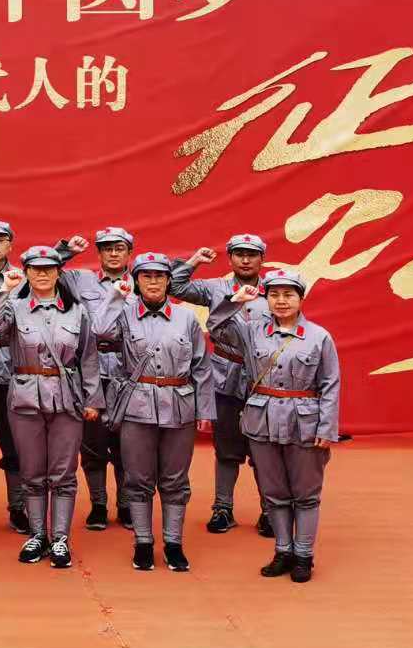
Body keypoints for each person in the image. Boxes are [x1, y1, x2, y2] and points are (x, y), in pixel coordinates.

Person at [208, 270, 341, 583]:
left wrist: (326, 428)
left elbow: (330, 384)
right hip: (262, 420)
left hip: (304, 422)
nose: (281, 301)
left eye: (288, 295)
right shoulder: (252, 331)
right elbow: (216, 326)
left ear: (301, 299)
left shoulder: (319, 336)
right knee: (274, 492)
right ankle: (283, 551)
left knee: (305, 494)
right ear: (265, 299)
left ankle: (303, 555)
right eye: (275, 295)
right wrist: (234, 301)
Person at [93, 252, 215, 572]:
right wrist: (114, 297)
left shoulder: (186, 318)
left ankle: (173, 544)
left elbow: (201, 367)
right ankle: (143, 543)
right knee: (138, 478)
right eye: (145, 276)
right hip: (137, 406)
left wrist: (205, 409)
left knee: (175, 479)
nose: (153, 281)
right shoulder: (124, 314)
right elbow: (99, 332)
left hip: (179, 405)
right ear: (136, 281)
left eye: (159, 276)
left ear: (168, 281)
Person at [0, 246, 103, 569]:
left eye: (48, 268)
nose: (42, 274)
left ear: (58, 272)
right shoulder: (15, 306)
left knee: (63, 472)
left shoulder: (76, 311)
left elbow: (88, 357)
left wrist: (93, 399)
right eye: (35, 269)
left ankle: (60, 538)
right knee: (32, 470)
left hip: (66, 396)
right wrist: (3, 290)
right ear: (26, 273)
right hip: (25, 396)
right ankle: (37, 534)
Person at [170, 234, 273, 536]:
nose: (245, 260)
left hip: (263, 378)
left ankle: (270, 510)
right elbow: (174, 286)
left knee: (263, 449)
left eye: (252, 254)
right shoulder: (216, 288)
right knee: (226, 448)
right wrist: (193, 261)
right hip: (224, 376)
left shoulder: (275, 290)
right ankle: (222, 509)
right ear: (230, 258)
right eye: (239, 254)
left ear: (262, 259)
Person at [59, 226, 135, 531]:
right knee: (92, 445)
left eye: (119, 248)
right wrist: (67, 250)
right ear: (99, 253)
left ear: (130, 252)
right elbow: (44, 271)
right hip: (90, 371)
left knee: (128, 446)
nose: (113, 253)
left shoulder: (144, 280)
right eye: (107, 248)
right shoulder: (81, 280)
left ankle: (126, 504)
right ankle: (99, 504)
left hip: (128, 372)